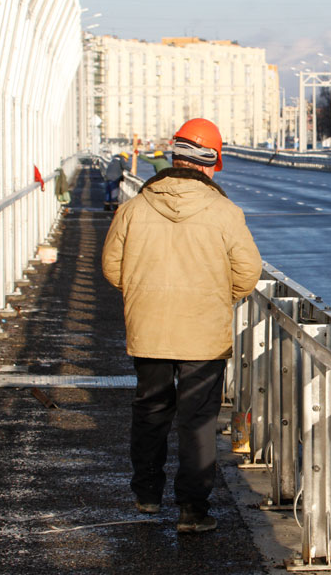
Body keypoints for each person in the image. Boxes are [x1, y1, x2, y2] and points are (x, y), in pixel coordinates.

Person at [102, 118, 262, 533]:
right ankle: (192, 510)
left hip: (148, 329)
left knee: (151, 410)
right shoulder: (225, 212)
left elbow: (111, 268)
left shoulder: (134, 207)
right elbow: (247, 274)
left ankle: (147, 495)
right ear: (210, 164)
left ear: (173, 159)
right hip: (203, 336)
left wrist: (145, 292)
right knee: (197, 421)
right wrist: (213, 297)